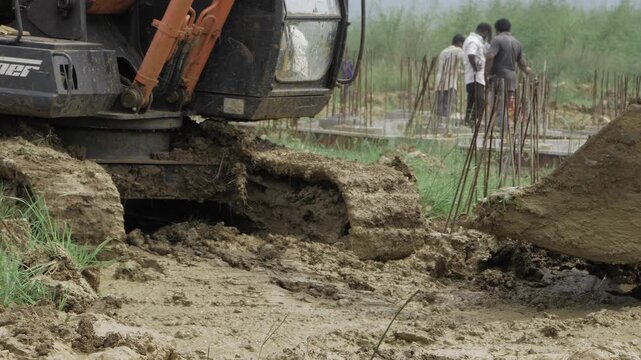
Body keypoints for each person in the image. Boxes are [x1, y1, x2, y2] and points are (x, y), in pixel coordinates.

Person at [485, 18, 531, 126]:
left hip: (499, 76)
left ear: (497, 30)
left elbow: (490, 56)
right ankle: (508, 127)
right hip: (511, 77)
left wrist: (486, 74)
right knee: (507, 103)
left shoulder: (497, 40)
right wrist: (526, 69)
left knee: (498, 104)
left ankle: (501, 127)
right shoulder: (517, 42)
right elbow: (520, 62)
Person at [462, 23, 492, 129]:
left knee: (472, 100)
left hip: (473, 77)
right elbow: (471, 54)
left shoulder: (473, 40)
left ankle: (468, 121)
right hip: (475, 77)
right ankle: (473, 122)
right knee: (480, 101)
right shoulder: (474, 40)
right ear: (485, 32)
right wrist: (475, 67)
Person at [435, 34, 465, 125]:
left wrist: (461, 71)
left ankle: (439, 124)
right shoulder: (458, 50)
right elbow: (466, 60)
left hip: (439, 80)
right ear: (460, 43)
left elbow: (448, 67)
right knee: (448, 105)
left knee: (440, 105)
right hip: (450, 82)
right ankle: (445, 125)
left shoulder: (443, 51)